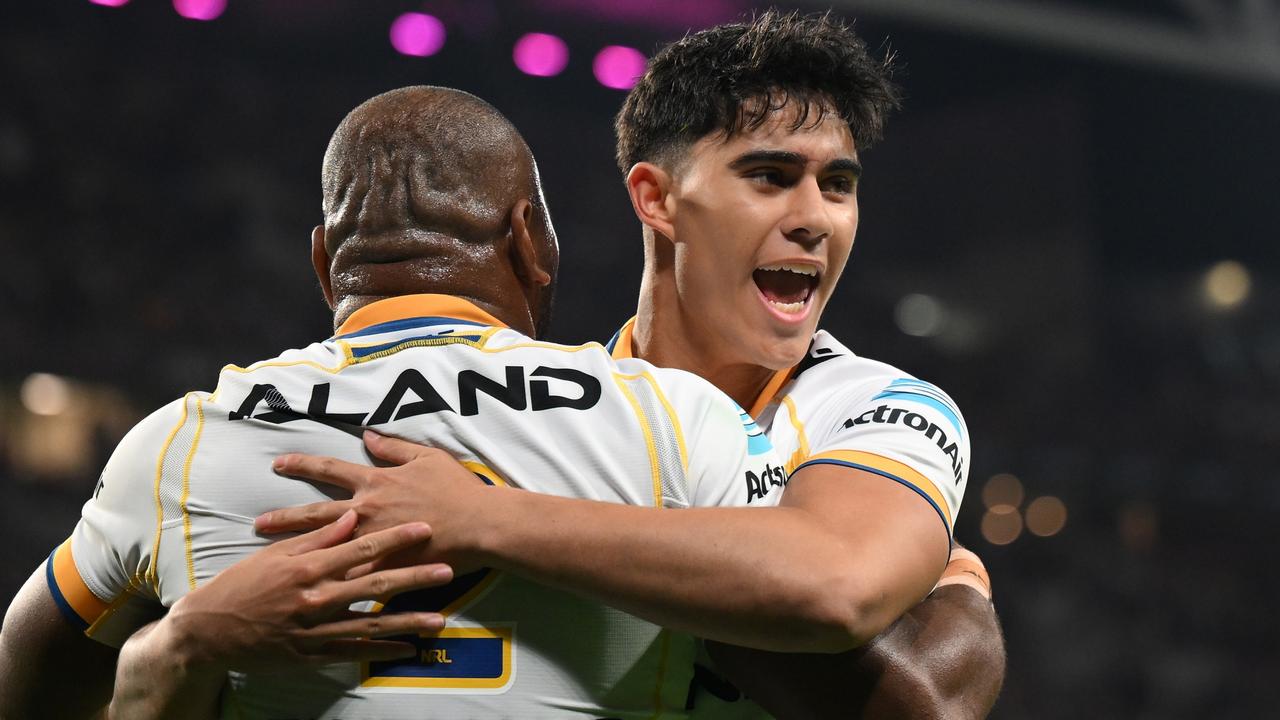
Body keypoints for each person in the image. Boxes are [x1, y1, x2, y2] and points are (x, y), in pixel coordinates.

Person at [250, 10, 1006, 718]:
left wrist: (488, 517)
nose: (814, 218)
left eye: (837, 185)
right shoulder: (547, 402)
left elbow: (910, 680)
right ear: (657, 199)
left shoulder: (878, 406)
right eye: (770, 176)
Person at [0, 86, 794, 719]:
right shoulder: (674, 419)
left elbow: (24, 683)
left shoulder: (180, 440)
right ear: (529, 240)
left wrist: (173, 648)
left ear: (324, 261)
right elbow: (809, 621)